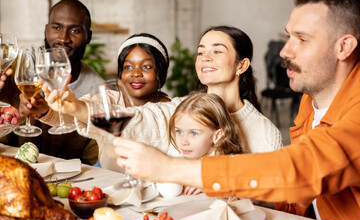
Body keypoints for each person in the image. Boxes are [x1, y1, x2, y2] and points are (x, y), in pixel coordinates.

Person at [113, 0, 360, 220]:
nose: (284, 51)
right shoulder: (312, 100)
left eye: (302, 39)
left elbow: (302, 168)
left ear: (343, 47)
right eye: (288, 37)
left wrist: (170, 169)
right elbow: (301, 199)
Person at [45, 25, 282, 163]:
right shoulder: (178, 109)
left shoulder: (265, 132)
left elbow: (272, 196)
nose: (205, 58)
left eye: (217, 51)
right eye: (201, 52)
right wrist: (76, 108)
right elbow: (136, 120)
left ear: (242, 65)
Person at [42, 33, 171, 171]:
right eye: (128, 67)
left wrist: (79, 108)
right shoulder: (107, 98)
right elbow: (73, 116)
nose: (136, 73)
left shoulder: (171, 109)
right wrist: (45, 110)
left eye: (146, 67)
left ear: (161, 72)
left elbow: (143, 121)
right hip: (109, 179)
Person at [0, 0, 104, 165]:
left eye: (75, 30)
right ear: (46, 30)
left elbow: (94, 161)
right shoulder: (14, 68)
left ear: (88, 36)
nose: (63, 38)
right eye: (56, 28)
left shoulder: (96, 91)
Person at [167, 92, 243, 195]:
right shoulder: (176, 152)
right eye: (179, 131)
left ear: (217, 136)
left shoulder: (227, 162)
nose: (183, 142)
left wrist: (211, 185)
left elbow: (241, 189)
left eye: (194, 133)